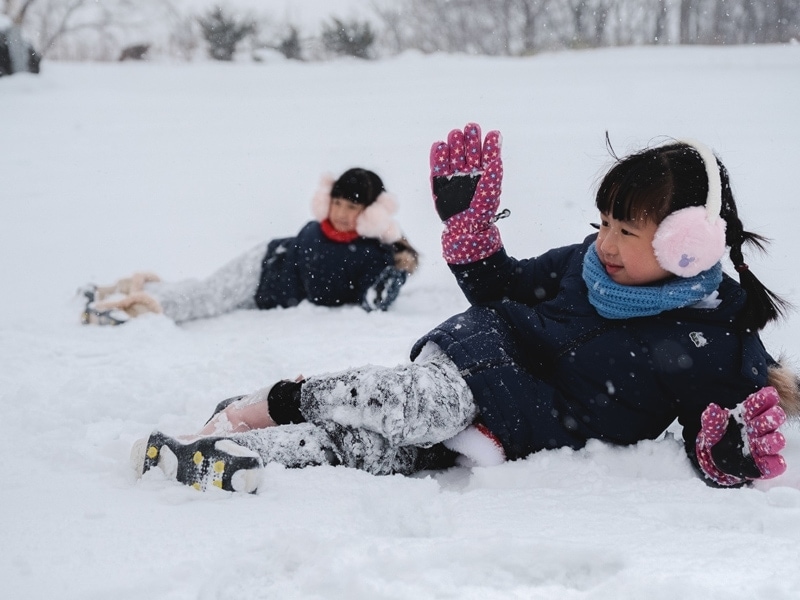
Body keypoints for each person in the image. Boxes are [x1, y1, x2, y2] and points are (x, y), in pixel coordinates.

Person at [132, 124, 797, 494]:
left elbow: (717, 434)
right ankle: (273, 403)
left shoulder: (719, 343)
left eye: (629, 228)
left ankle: (249, 457)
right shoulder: (584, 265)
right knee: (425, 406)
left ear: (690, 240)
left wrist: (729, 451)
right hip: (483, 359)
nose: (607, 243)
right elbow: (501, 288)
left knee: (378, 452)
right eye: (603, 222)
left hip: (512, 435)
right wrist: (474, 237)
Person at [81, 168, 419, 325]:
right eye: (338, 203)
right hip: (262, 266)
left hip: (267, 286)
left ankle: (137, 290)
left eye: (352, 207)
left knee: (206, 291)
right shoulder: (316, 233)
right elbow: (320, 291)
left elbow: (375, 301)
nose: (342, 214)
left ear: (372, 214)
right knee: (207, 297)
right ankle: (131, 308)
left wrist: (395, 269)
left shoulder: (374, 254)